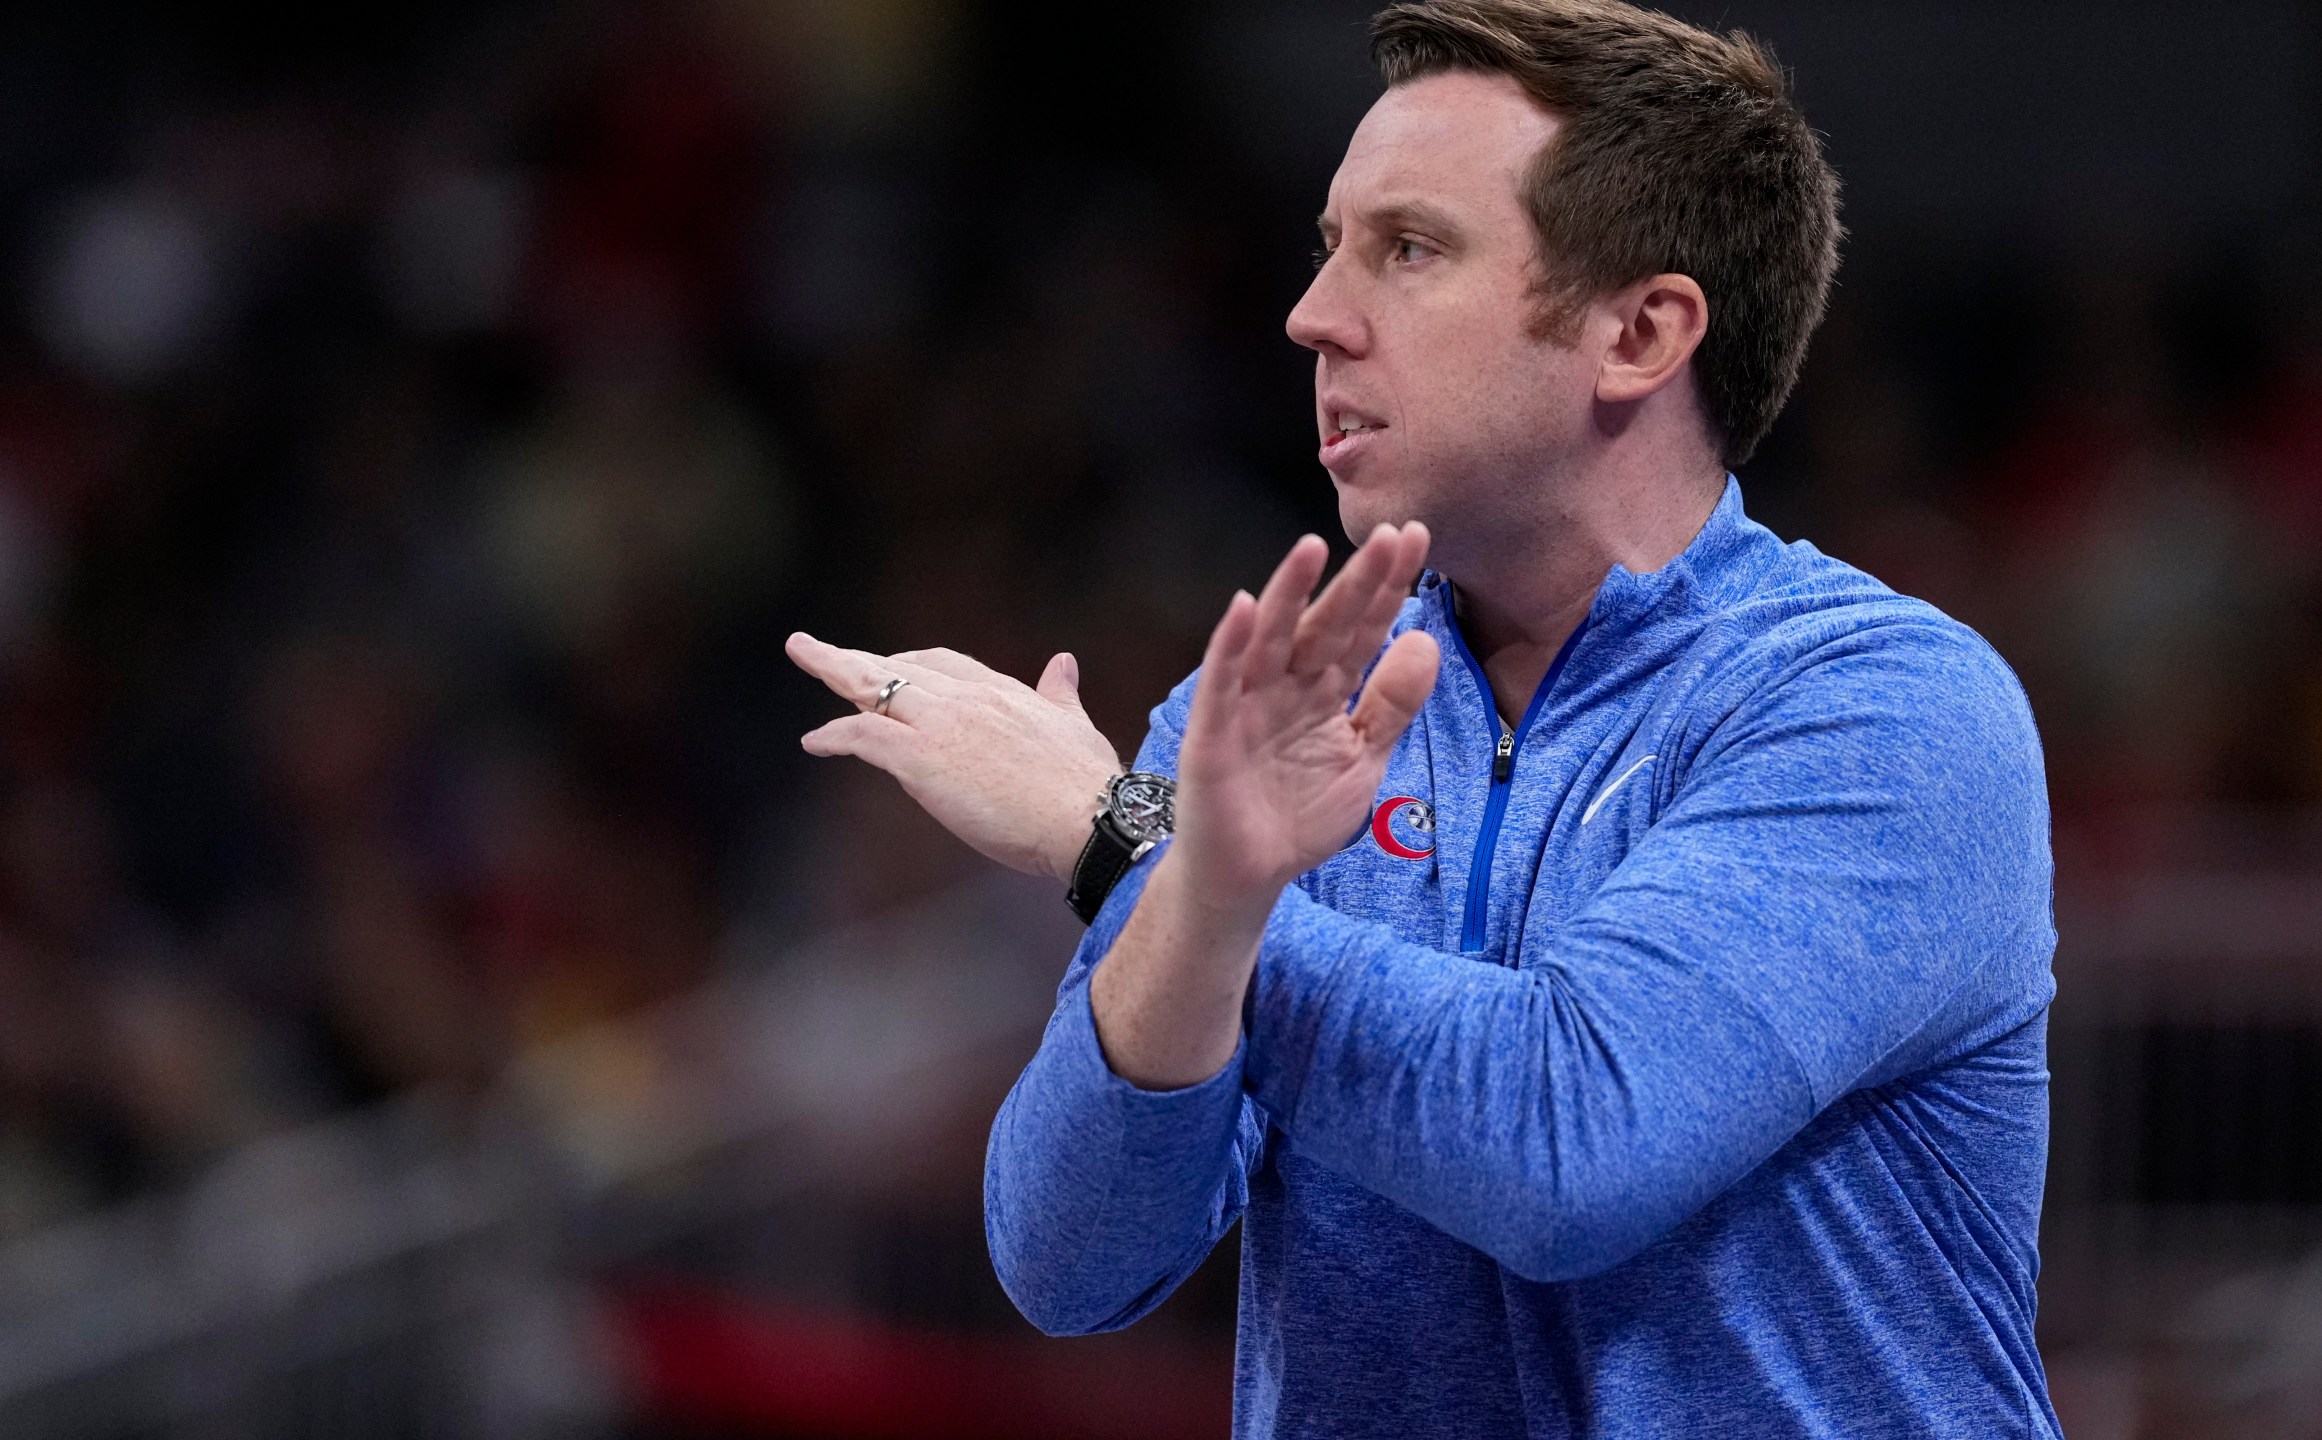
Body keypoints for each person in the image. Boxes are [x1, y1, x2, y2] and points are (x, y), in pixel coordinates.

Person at [785, 1, 2059, 1434]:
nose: (1314, 315)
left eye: (1407, 248)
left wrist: (1119, 842)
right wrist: (1191, 889)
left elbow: (1570, 1143)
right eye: (1326, 245)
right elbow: (1071, 1258)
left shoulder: (1882, 710)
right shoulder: (1260, 710)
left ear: (1640, 331)